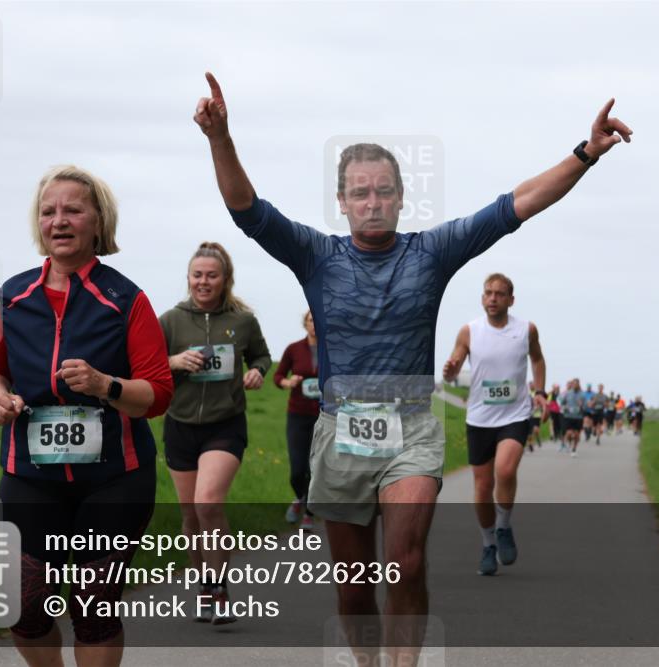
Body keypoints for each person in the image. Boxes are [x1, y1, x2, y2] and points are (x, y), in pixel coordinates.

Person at [193, 71, 631, 660]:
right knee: (353, 588)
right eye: (359, 193)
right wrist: (220, 137)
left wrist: (585, 154)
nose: (372, 202)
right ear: (343, 202)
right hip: (341, 431)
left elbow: (516, 206)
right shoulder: (317, 255)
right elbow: (247, 211)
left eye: (383, 192)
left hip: (411, 431)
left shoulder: (432, 251)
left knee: (405, 561)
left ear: (400, 198)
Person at [0, 165, 173, 666]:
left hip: (114, 479)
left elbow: (159, 394)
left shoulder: (127, 300)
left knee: (93, 609)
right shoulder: (12, 297)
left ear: (98, 222)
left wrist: (107, 386)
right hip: (30, 475)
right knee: (24, 605)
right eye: (48, 211)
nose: (59, 221)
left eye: (73, 210)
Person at [159, 241, 272, 624]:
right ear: (188, 278)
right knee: (190, 514)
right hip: (180, 424)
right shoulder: (171, 320)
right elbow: (146, 365)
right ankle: (203, 586)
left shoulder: (242, 320)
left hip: (225, 424)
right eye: (197, 275)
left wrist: (257, 370)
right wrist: (173, 361)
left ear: (225, 280)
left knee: (208, 503)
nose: (203, 282)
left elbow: (261, 355)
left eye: (211, 275)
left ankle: (219, 585)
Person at [443, 273, 545, 576]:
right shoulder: (469, 331)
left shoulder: (526, 330)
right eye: (488, 293)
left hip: (514, 414)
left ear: (510, 300)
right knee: (483, 486)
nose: (492, 298)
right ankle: (488, 543)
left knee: (505, 470)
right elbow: (454, 367)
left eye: (499, 294)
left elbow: (538, 360)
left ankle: (503, 527)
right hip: (480, 418)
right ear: (482, 297)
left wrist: (539, 391)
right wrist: (449, 370)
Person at [274, 310, 321, 531]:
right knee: (297, 469)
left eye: (318, 320)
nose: (314, 324)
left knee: (316, 468)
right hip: (298, 415)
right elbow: (277, 376)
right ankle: (300, 497)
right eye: (311, 320)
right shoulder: (293, 349)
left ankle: (309, 514)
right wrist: (287, 383)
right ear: (305, 323)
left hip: (325, 416)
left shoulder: (332, 350)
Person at [561, 379, 586, 457]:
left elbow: (586, 406)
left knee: (577, 435)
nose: (575, 385)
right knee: (568, 433)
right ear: (572, 385)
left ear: (578, 385)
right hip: (568, 416)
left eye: (576, 384)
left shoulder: (582, 394)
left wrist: (582, 405)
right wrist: (565, 407)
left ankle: (574, 449)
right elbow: (562, 403)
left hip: (578, 417)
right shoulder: (567, 393)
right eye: (573, 384)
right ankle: (569, 443)